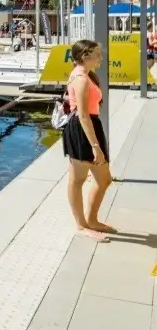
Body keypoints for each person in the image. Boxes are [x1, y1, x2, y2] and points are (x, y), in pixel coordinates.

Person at [62, 39, 113, 241]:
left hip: (91, 126)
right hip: (82, 130)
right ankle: (81, 225)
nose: (101, 57)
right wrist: (95, 146)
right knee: (77, 180)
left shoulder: (87, 76)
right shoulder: (81, 79)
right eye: (97, 54)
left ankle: (92, 220)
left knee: (104, 180)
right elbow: (83, 115)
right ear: (85, 56)